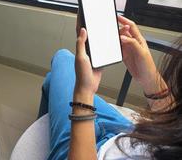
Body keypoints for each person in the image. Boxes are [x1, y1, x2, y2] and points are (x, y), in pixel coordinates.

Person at [38, 12, 182, 159]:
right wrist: (150, 79)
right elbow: (177, 128)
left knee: (62, 57)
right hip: (132, 137)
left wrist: (83, 95)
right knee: (53, 78)